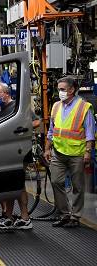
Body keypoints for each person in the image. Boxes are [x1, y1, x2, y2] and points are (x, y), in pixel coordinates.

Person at [43, 77, 95, 228]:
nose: (60, 92)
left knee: (78, 186)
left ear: (72, 90)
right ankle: (64, 213)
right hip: (58, 152)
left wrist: (88, 151)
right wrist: (47, 148)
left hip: (77, 153)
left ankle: (75, 216)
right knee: (56, 181)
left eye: (63, 90)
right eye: (59, 89)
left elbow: (90, 132)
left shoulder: (84, 107)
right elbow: (52, 131)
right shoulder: (56, 106)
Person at [0, 82, 33, 230]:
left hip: (18, 153)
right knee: (9, 187)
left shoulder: (18, 109)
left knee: (19, 186)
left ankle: (25, 218)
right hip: (5, 155)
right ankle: (8, 218)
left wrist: (17, 130)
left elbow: (35, 121)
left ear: (7, 94)